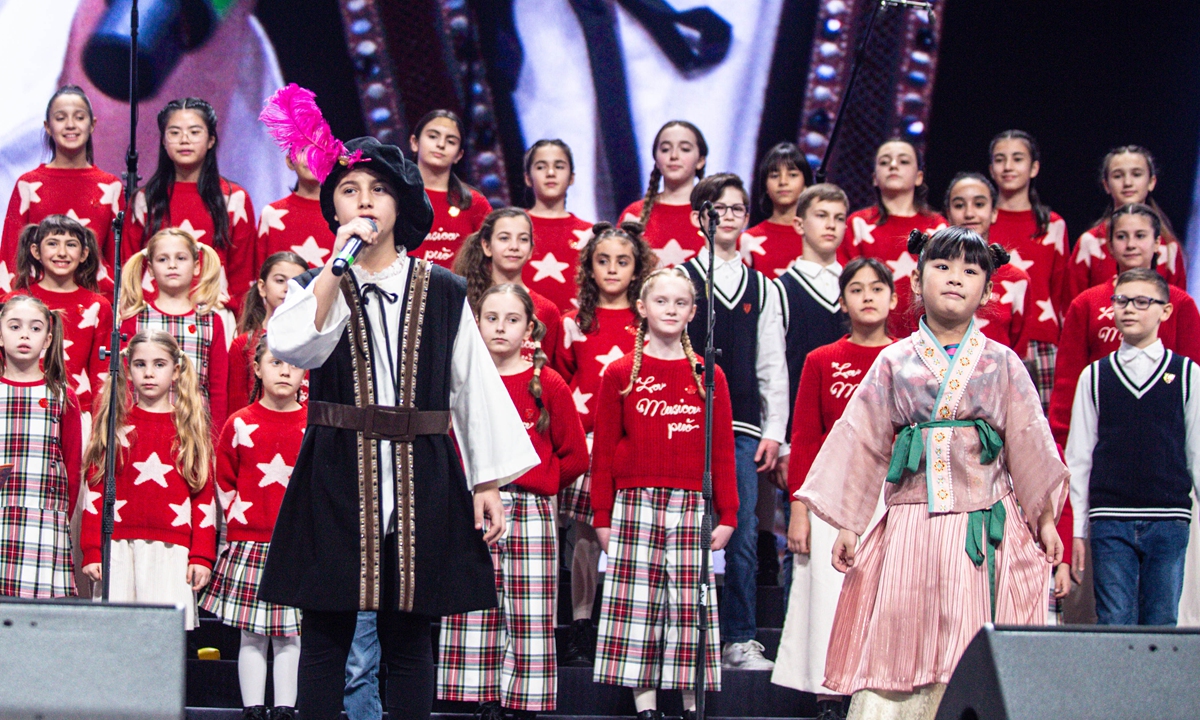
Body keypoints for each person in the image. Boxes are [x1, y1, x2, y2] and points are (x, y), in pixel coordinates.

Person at [257, 124, 539, 720]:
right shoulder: (318, 284)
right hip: (337, 466)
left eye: (379, 190)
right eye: (350, 189)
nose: (363, 200)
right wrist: (335, 267)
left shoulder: (442, 289)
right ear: (332, 204)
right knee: (327, 631)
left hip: (420, 472)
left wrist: (486, 482)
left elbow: (473, 386)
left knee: (411, 635)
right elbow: (291, 344)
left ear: (401, 204)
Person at [798, 227, 1066, 720]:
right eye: (942, 267)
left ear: (987, 291)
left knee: (971, 638)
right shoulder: (893, 361)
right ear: (917, 281)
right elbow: (861, 439)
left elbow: (1029, 441)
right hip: (912, 524)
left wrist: (1045, 520)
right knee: (902, 635)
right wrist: (850, 524)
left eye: (970, 270)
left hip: (984, 523)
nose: (955, 279)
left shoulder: (1002, 362)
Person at [590, 267, 738, 720]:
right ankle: (646, 708)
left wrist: (728, 514)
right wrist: (601, 517)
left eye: (680, 303)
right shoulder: (619, 373)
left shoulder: (707, 375)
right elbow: (605, 450)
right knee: (639, 609)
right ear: (642, 307)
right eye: (661, 302)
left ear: (693, 312)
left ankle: (691, 706)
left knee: (687, 610)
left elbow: (723, 450)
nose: (670, 310)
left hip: (691, 505)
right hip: (635, 506)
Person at [438, 283, 588, 720]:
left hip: (530, 510)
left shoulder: (548, 383)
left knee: (529, 610)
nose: (500, 327)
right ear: (476, 323)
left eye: (512, 319)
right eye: (491, 318)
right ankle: (483, 697)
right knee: (475, 604)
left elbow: (576, 455)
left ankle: (522, 702)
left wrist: (542, 480)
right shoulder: (460, 379)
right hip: (472, 507)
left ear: (530, 329)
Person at [772, 257, 895, 720]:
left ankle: (874, 691)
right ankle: (827, 695)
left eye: (877, 288)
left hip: (891, 493)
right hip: (830, 496)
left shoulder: (906, 357)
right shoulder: (821, 360)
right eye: (857, 289)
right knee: (826, 591)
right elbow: (804, 436)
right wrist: (800, 509)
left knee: (886, 594)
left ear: (893, 297)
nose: (867, 296)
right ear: (841, 301)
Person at [680, 173, 787, 670]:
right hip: (682, 423)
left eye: (737, 208)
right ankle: (684, 638)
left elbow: (772, 364)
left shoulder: (764, 287)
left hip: (741, 428)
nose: (726, 215)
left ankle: (739, 638)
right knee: (683, 532)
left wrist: (775, 430)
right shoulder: (678, 280)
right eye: (716, 207)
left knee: (741, 533)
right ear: (698, 215)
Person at [1067, 269, 1198, 627]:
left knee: (1161, 621)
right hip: (1110, 518)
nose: (1129, 309)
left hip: (1169, 518)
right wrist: (1076, 529)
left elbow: (1197, 454)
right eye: (1121, 301)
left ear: (1165, 312)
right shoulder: (1094, 376)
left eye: (1142, 302)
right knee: (1114, 622)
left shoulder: (1187, 374)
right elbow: (1078, 459)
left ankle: (1156, 686)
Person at [552, 221, 656, 666]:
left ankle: (632, 625)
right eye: (602, 260)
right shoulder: (572, 323)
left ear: (636, 270)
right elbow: (557, 382)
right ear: (589, 267)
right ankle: (580, 622)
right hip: (587, 442)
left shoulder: (647, 322)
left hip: (633, 442)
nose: (612, 269)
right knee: (583, 536)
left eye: (623, 261)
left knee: (629, 534)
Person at [81, 330, 217, 629]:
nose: (149, 373)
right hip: (118, 547)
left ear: (176, 370)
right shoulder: (113, 425)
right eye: (140, 364)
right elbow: (96, 489)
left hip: (171, 551)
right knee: (115, 636)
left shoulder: (190, 428)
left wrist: (202, 556)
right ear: (128, 369)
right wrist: (92, 550)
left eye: (159, 364)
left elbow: (203, 497)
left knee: (162, 639)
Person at [200, 338, 306, 720]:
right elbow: (223, 477)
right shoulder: (241, 422)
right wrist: (239, 520)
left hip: (295, 546)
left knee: (289, 634)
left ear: (304, 371)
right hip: (249, 543)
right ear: (258, 369)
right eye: (275, 362)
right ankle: (252, 708)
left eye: (293, 363)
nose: (284, 370)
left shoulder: (311, 424)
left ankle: (284, 708)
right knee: (252, 633)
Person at [1049, 203, 1200, 448]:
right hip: (1100, 434)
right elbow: (1068, 383)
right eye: (1121, 236)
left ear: (1157, 242)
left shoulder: (1180, 304)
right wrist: (1062, 445)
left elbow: (1193, 381)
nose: (1131, 245)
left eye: (1140, 236)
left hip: (1166, 439)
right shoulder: (1086, 304)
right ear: (1109, 245)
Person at [125, 98, 257, 318]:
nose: (184, 140)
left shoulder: (235, 199)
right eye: (174, 133)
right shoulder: (144, 199)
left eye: (195, 132)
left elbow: (243, 275)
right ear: (164, 141)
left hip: (215, 313)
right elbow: (131, 267)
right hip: (151, 316)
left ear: (211, 140)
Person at [0, 294, 82, 598]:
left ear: (48, 339)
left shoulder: (62, 396)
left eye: (35, 329)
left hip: (43, 523)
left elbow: (72, 466)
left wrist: (57, 517)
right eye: (14, 326)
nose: (24, 335)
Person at [1, 86, 121, 292]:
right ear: (48, 126)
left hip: (97, 305)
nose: (71, 125)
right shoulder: (28, 184)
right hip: (36, 307)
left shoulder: (110, 186)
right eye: (60, 118)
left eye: (79, 117)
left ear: (92, 124)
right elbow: (10, 255)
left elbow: (118, 258)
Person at [986, 130, 1069, 408]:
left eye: (1017, 159)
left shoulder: (1052, 225)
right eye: (1000, 159)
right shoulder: (979, 220)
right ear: (991, 169)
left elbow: (1060, 292)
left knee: (1034, 429)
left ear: (1034, 167)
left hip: (1039, 341)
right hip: (988, 336)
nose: (1008, 167)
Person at [118, 227, 229, 434]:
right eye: (162, 259)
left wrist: (215, 440)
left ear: (196, 266)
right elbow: (124, 381)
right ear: (150, 269)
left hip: (195, 430)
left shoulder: (211, 321)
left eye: (180, 258)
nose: (172, 265)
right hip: (143, 427)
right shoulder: (135, 319)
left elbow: (218, 388)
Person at [838, 138, 946, 337]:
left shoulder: (937, 227)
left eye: (903, 161)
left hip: (926, 338)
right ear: (874, 178)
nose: (893, 166)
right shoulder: (857, 224)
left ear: (919, 176)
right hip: (869, 337)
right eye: (885, 162)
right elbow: (846, 283)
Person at [5, 214, 112, 415]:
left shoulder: (98, 306)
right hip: (18, 403)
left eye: (71, 245)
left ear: (84, 254)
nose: (62, 252)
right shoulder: (12, 302)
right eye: (52, 244)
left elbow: (102, 373)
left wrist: (100, 424)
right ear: (36, 251)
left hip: (78, 411)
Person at [1069, 146, 1186, 299]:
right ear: (1106, 185)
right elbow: (1072, 307)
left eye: (1136, 174)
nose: (1128, 183)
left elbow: (1178, 310)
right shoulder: (1090, 243)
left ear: (1151, 182)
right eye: (1118, 176)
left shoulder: (1169, 248)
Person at [453, 207, 562, 368]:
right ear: (487, 246)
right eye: (504, 238)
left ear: (531, 250)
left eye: (523, 239)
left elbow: (551, 371)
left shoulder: (546, 310)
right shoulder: (464, 300)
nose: (514, 246)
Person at [943, 172, 1032, 358]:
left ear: (994, 213)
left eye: (979, 204)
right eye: (959, 205)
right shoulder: (932, 274)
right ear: (948, 214)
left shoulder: (1017, 280)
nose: (969, 213)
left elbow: (1018, 352)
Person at [228, 252, 309, 414]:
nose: (287, 289)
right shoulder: (243, 344)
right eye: (280, 281)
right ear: (262, 287)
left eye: (296, 283)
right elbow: (235, 408)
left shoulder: (315, 342)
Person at [409, 110, 492, 268]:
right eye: (433, 136)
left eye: (451, 141)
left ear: (459, 155)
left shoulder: (475, 203)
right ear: (415, 142)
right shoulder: (395, 197)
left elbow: (492, 259)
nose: (440, 145)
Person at [619, 121, 709, 267]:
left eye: (685, 149)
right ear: (656, 159)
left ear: (700, 161)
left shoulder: (715, 215)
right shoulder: (634, 215)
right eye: (666, 149)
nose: (674, 155)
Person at [522, 139, 594, 313]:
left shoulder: (590, 234)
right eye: (541, 167)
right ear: (527, 178)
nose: (551, 173)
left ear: (572, 178)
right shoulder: (510, 229)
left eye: (559, 166)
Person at [742, 142, 813, 278]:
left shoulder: (817, 238)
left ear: (806, 183)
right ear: (766, 186)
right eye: (775, 176)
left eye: (792, 175)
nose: (783, 182)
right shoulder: (747, 240)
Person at [258, 152, 337, 269]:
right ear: (290, 161)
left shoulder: (341, 215)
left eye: (318, 149)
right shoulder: (271, 213)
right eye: (303, 149)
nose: (311, 156)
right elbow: (260, 275)